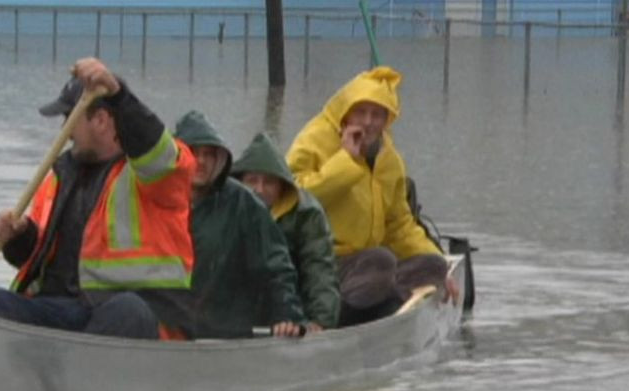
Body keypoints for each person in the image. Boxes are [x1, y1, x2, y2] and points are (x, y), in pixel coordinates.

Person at [0, 58, 196, 340]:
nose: (65, 131)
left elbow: (155, 148)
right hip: (56, 307)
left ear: (100, 120)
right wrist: (19, 236)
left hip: (121, 308)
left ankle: (75, 371)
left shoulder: (155, 174)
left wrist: (117, 94)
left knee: (129, 311)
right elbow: (32, 257)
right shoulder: (57, 177)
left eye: (69, 120)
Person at [285, 66, 457, 326]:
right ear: (345, 112)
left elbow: (399, 226)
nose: (368, 122)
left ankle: (379, 305)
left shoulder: (390, 160)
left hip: (364, 267)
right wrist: (346, 161)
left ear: (387, 119)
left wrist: (441, 267)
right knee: (380, 261)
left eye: (377, 115)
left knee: (431, 265)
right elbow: (293, 199)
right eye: (361, 112)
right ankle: (329, 317)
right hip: (319, 262)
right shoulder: (314, 141)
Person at [173, 110, 306, 339]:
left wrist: (288, 316)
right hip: (171, 331)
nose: (201, 161)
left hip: (230, 332)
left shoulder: (244, 204)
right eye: (193, 152)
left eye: (209, 154)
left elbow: (276, 267)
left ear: (220, 159)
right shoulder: (157, 201)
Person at [231, 132, 340, 332]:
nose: (260, 189)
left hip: (293, 307)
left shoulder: (306, 214)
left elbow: (318, 269)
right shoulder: (226, 210)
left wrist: (320, 321)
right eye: (252, 181)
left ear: (282, 185)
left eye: (269, 182)